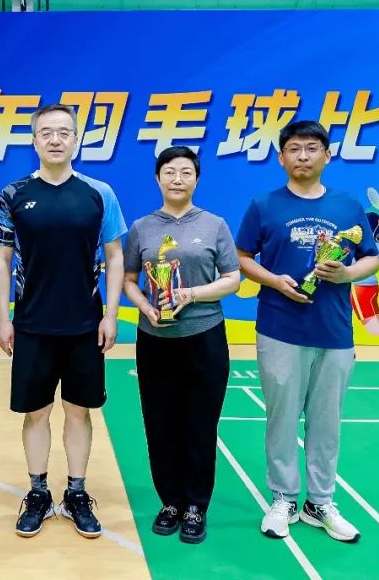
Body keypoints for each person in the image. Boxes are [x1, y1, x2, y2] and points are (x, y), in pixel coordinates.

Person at [235, 120, 379, 543]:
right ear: (281, 157)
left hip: (334, 332)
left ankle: (320, 502)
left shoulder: (348, 207)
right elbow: (242, 256)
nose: (303, 156)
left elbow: (372, 257)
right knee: (281, 419)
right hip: (280, 328)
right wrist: (275, 281)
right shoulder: (263, 205)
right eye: (294, 149)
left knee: (326, 422)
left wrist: (347, 273)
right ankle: (283, 498)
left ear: (327, 155)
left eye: (312, 148)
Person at [0, 103, 126, 539]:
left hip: (85, 324)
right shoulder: (13, 193)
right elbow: (1, 261)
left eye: (64, 132)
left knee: (79, 412)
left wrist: (110, 315)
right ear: (34, 141)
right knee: (36, 414)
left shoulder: (99, 193)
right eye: (46, 132)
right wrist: (4, 319)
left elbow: (115, 257)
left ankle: (77, 493)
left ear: (76, 140)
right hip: (31, 324)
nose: (55, 139)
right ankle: (38, 493)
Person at [122, 146, 240, 545]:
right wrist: (145, 308)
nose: (177, 179)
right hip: (155, 339)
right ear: (158, 179)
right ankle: (170, 502)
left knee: (200, 424)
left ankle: (195, 506)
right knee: (160, 423)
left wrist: (191, 294)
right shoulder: (142, 227)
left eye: (186, 172)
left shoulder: (214, 224)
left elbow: (232, 279)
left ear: (197, 179)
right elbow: (129, 280)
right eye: (170, 172)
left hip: (204, 336)